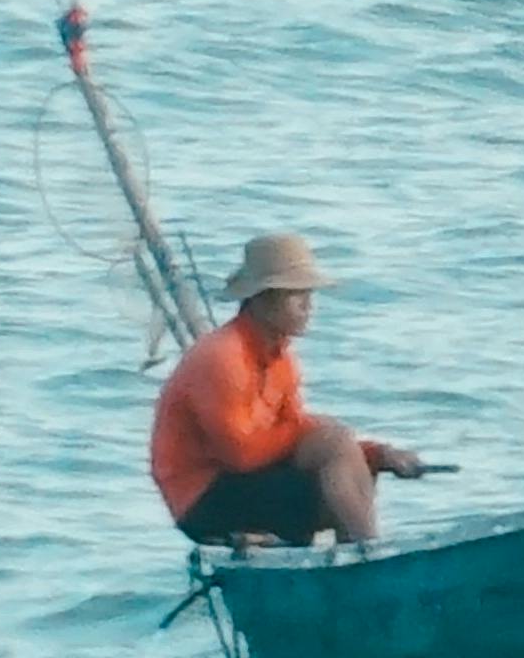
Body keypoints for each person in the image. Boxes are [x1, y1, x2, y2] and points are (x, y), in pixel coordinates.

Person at [150, 232, 425, 549]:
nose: (308, 305)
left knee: (347, 456)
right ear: (263, 299)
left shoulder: (282, 360)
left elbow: (294, 439)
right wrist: (326, 437)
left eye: (309, 294)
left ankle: (349, 554)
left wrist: (377, 454)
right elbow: (241, 454)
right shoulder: (222, 357)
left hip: (245, 482)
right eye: (296, 294)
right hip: (203, 498)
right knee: (334, 444)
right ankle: (367, 554)